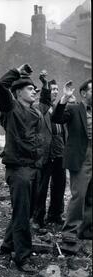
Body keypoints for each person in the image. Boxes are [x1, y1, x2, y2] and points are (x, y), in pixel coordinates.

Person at [0, 64, 44, 272]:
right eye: (30, 88)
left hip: (33, 168)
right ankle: (22, 257)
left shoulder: (34, 113)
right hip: (18, 171)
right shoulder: (11, 108)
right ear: (17, 92)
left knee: (25, 211)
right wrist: (16, 71)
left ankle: (7, 245)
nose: (34, 91)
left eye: (35, 89)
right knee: (23, 214)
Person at [51, 79, 92, 243]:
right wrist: (65, 98)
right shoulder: (74, 109)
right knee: (79, 195)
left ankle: (86, 229)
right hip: (81, 156)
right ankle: (70, 230)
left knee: (91, 195)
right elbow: (57, 118)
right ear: (84, 93)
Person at [33, 76, 67, 228]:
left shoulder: (60, 107)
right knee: (42, 187)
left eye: (57, 90)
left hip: (60, 151)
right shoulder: (40, 108)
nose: (55, 92)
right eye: (53, 89)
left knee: (59, 185)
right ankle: (38, 218)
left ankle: (55, 215)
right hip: (46, 152)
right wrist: (45, 85)